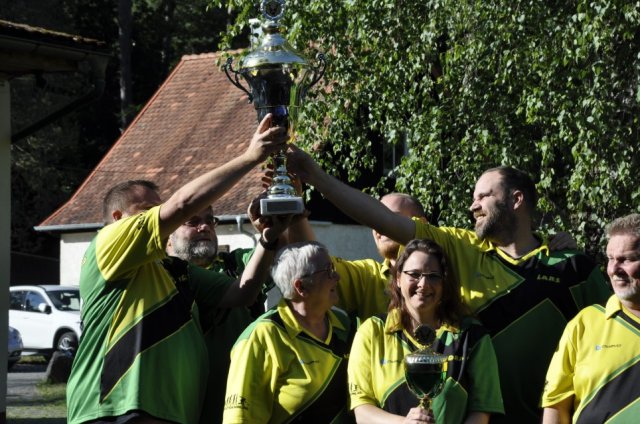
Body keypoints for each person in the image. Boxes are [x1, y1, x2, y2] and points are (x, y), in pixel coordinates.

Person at [287, 147, 611, 423]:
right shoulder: (461, 248)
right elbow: (381, 219)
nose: (473, 205)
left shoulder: (573, 267)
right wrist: (315, 176)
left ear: (516, 199)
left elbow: (612, 341)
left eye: (483, 196)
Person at [66, 115, 287, 424]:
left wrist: (268, 239)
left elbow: (242, 293)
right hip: (114, 411)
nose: (161, 217)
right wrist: (250, 157)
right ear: (117, 218)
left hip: (171, 413)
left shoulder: (174, 269)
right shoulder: (107, 244)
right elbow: (182, 205)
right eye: (147, 211)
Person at [348, 239, 503, 424]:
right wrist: (404, 423)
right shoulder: (372, 331)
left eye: (433, 276)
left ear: (444, 282)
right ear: (398, 278)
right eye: (414, 274)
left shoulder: (472, 335)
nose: (423, 284)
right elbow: (362, 410)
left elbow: (482, 410)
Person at [165, 201, 289, 424]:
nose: (205, 227)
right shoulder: (157, 277)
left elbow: (287, 255)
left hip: (242, 410)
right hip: (175, 411)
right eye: (193, 221)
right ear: (167, 238)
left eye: (210, 220)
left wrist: (272, 227)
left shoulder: (237, 265)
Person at [223, 241, 356, 423]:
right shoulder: (262, 337)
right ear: (301, 287)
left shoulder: (346, 326)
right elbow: (241, 419)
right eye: (328, 270)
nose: (337, 276)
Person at [541, 213, 640, 423]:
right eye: (610, 258)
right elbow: (556, 406)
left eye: (626, 259)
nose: (613, 269)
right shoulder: (583, 324)